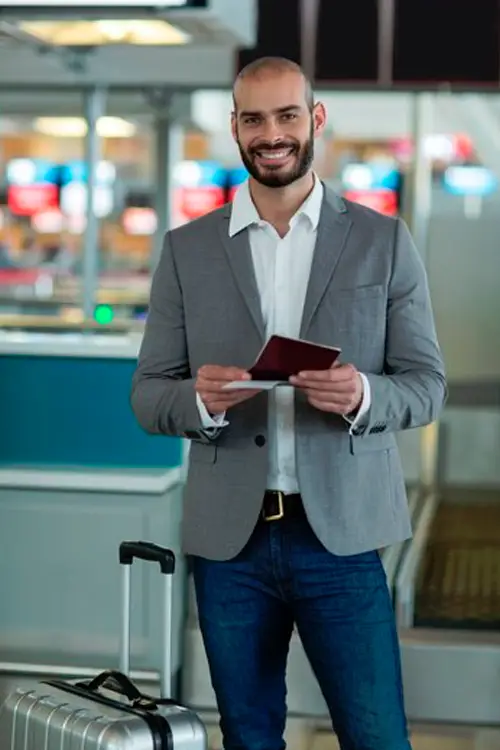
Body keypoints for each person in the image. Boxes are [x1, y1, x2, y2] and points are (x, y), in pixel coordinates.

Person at [131, 56, 447, 750]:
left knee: (376, 737)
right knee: (248, 736)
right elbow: (149, 396)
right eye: (253, 119)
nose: (271, 133)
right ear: (235, 128)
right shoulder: (188, 250)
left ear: (315, 119)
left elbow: (426, 385)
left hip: (342, 537)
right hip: (230, 549)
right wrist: (200, 400)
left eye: (286, 115)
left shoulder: (382, 241)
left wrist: (364, 392)